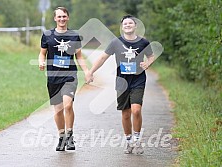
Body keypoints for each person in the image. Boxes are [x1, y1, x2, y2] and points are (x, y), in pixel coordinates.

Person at [85, 15, 155, 154]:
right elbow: (103, 57)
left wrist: (148, 63)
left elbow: (151, 56)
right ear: (122, 27)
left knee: (136, 110)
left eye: (130, 23)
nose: (128, 25)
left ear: (135, 26)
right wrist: (91, 71)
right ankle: (129, 141)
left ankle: (137, 139)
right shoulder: (116, 42)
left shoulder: (143, 42)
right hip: (122, 81)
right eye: (125, 24)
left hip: (138, 80)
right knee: (125, 113)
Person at [38, 7, 89, 151]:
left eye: (64, 16)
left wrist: (86, 71)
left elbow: (79, 56)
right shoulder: (47, 35)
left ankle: (70, 135)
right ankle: (61, 137)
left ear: (68, 18)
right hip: (53, 77)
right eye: (59, 17)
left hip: (70, 76)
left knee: (68, 106)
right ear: (55, 18)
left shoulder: (74, 35)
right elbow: (42, 54)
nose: (62, 19)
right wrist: (41, 61)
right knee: (58, 110)